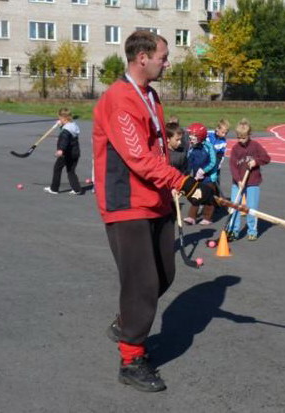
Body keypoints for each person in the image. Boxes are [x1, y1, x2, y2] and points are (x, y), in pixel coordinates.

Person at [92, 30, 215, 393]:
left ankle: (125, 320)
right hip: (126, 202)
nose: (167, 61)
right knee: (142, 283)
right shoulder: (119, 98)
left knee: (164, 275)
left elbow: (157, 151)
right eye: (163, 55)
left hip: (156, 198)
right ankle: (131, 358)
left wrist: (182, 183)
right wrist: (187, 185)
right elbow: (138, 158)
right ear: (142, 57)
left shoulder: (150, 95)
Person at [227, 118, 271, 241]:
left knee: (251, 207)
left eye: (243, 137)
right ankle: (233, 230)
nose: (241, 140)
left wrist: (256, 162)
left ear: (249, 135)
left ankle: (252, 231)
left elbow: (267, 158)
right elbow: (232, 166)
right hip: (238, 183)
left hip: (252, 182)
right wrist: (238, 180)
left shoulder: (255, 146)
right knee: (235, 206)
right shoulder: (236, 149)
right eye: (238, 137)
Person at [183, 122, 218, 226]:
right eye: (190, 137)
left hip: (209, 178)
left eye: (193, 137)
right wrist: (186, 174)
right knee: (196, 195)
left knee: (209, 198)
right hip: (197, 178)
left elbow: (213, 162)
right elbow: (189, 163)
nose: (191, 139)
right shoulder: (191, 148)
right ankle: (192, 217)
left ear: (200, 137)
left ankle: (207, 217)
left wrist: (203, 170)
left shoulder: (208, 147)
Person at [44, 108, 82, 195]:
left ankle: (54, 189)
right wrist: (60, 127)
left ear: (64, 118)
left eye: (60, 118)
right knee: (71, 171)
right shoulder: (73, 125)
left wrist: (60, 150)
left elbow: (64, 139)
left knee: (57, 168)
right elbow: (69, 138)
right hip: (75, 153)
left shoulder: (66, 130)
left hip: (67, 154)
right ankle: (77, 189)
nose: (59, 120)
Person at [207, 118, 230, 184]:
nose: (224, 135)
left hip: (215, 163)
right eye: (222, 132)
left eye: (226, 133)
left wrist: (218, 165)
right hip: (206, 161)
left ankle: (217, 193)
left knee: (216, 180)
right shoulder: (208, 134)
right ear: (217, 129)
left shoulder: (223, 142)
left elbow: (221, 155)